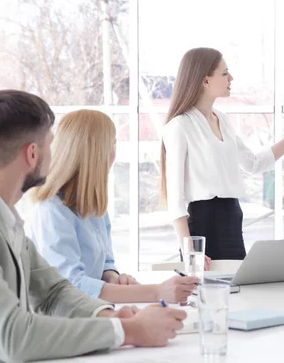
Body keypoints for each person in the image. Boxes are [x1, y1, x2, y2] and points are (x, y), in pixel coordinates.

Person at [0, 90, 187, 363]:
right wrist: (127, 330)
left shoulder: (2, 212)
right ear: (33, 154)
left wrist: (110, 315)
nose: (57, 152)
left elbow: (54, 291)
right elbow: (12, 335)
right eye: (51, 142)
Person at [161, 47, 284, 261]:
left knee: (235, 291)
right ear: (205, 81)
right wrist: (190, 251)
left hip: (231, 217)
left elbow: (254, 164)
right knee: (205, 291)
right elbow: (175, 198)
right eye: (224, 73)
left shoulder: (222, 120)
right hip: (202, 224)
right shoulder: (179, 126)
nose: (231, 78)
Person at [29, 109, 198, 303]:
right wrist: (157, 292)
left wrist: (112, 276)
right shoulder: (52, 211)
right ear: (95, 152)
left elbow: (105, 262)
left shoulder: (92, 206)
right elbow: (71, 285)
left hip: (92, 313)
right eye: (112, 143)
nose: (114, 152)